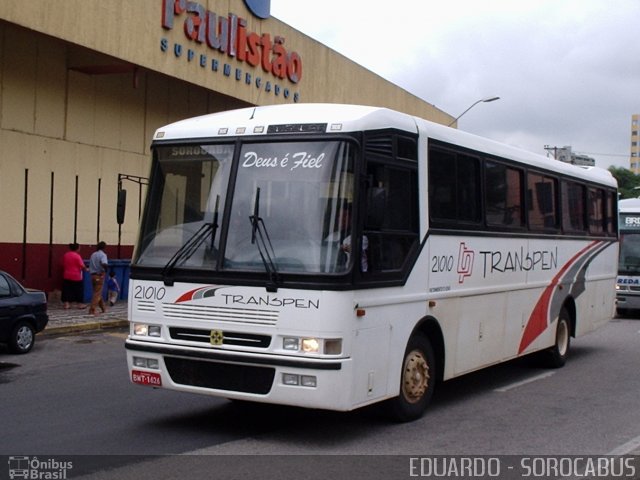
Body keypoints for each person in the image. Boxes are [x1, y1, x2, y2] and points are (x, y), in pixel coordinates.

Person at [61, 243, 88, 309]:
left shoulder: (66, 255)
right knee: (78, 290)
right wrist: (86, 269)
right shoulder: (77, 256)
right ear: (77, 248)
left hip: (67, 274)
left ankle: (66, 304)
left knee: (67, 289)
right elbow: (82, 265)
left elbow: (63, 264)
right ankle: (80, 304)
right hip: (76, 276)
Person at [88, 241, 108, 315]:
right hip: (99, 275)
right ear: (104, 248)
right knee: (97, 294)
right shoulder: (103, 255)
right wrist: (106, 270)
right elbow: (104, 263)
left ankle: (103, 308)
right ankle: (92, 310)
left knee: (97, 292)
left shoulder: (93, 254)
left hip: (92, 275)